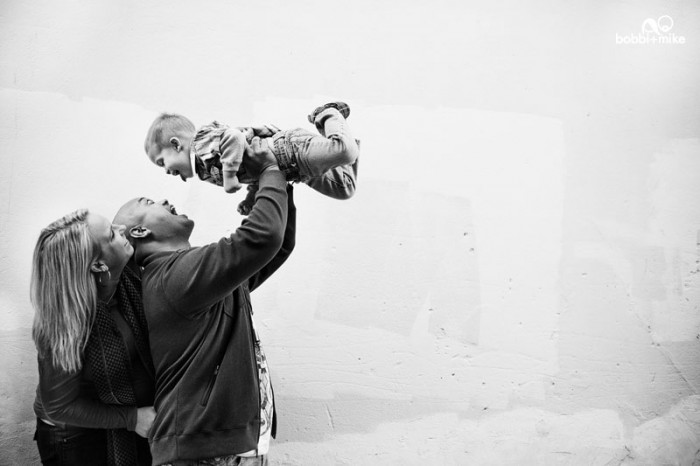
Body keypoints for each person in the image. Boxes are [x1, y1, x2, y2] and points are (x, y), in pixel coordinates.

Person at [113, 137, 296, 465]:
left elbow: (277, 245)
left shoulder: (193, 276)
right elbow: (263, 238)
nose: (165, 199)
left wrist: (279, 182)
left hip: (228, 449)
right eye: (149, 202)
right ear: (139, 232)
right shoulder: (175, 276)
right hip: (204, 454)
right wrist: (270, 169)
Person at [30, 209, 157, 465]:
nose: (121, 229)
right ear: (98, 265)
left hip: (120, 420)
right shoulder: (64, 325)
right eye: (111, 234)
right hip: (75, 439)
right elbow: (59, 407)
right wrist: (132, 418)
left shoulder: (125, 280)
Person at [143, 101, 359, 215]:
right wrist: (251, 199)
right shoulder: (205, 172)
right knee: (344, 188)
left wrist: (229, 175)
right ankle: (346, 138)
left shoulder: (201, 145)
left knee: (343, 151)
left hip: (290, 149)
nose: (166, 171)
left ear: (176, 144)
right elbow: (252, 172)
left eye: (162, 162)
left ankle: (327, 114)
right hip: (293, 170)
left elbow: (234, 137)